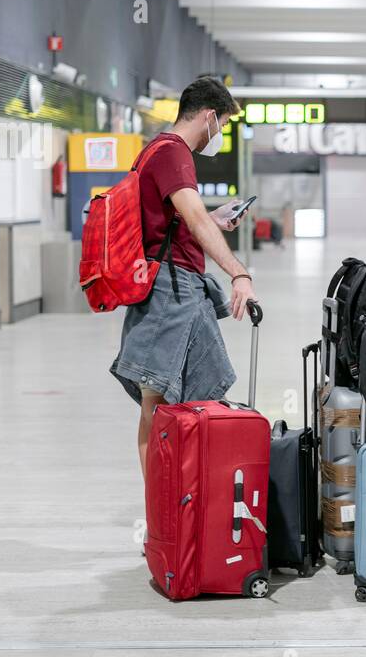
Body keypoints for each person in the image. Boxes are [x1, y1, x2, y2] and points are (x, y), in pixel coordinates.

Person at [109, 76, 258, 478]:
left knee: (175, 400)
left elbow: (178, 221)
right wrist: (239, 272)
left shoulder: (156, 150)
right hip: (169, 295)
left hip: (174, 288)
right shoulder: (175, 153)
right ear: (209, 116)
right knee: (155, 404)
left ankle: (182, 500)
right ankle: (163, 517)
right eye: (223, 125)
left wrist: (213, 219)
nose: (220, 134)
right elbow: (191, 218)